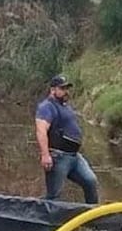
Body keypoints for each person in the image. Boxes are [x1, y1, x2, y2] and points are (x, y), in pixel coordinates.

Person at [35, 74, 99, 204]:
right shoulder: (47, 107)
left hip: (74, 156)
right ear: (53, 90)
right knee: (54, 195)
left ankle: (93, 217)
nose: (66, 91)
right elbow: (41, 131)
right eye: (62, 88)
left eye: (67, 88)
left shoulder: (65, 106)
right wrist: (45, 155)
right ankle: (43, 219)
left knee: (90, 181)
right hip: (58, 157)